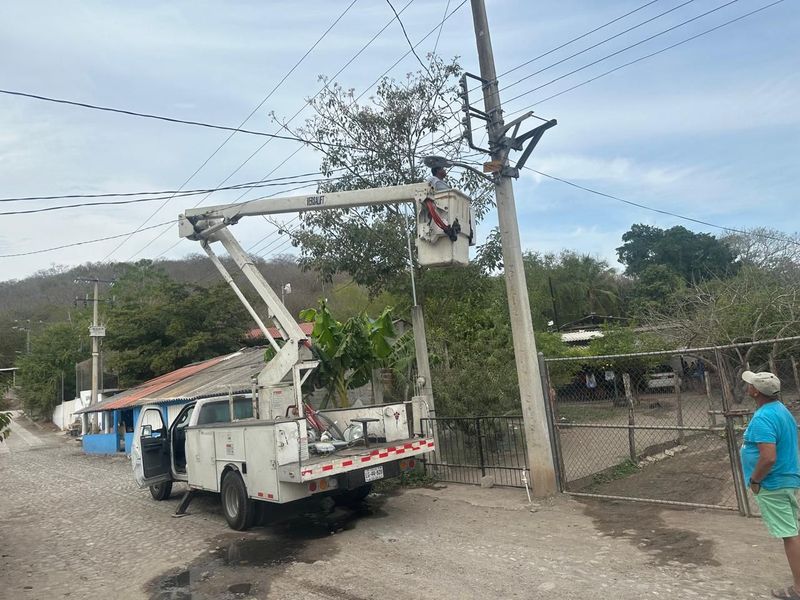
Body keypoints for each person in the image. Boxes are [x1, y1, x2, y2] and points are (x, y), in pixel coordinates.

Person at [740, 370, 800, 599]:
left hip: (773, 482)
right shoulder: (780, 410)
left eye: (751, 384)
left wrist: (755, 480)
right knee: (791, 530)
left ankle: (798, 589)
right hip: (785, 479)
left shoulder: (764, 417)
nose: (748, 386)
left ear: (755, 391)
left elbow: (768, 457)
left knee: (789, 533)